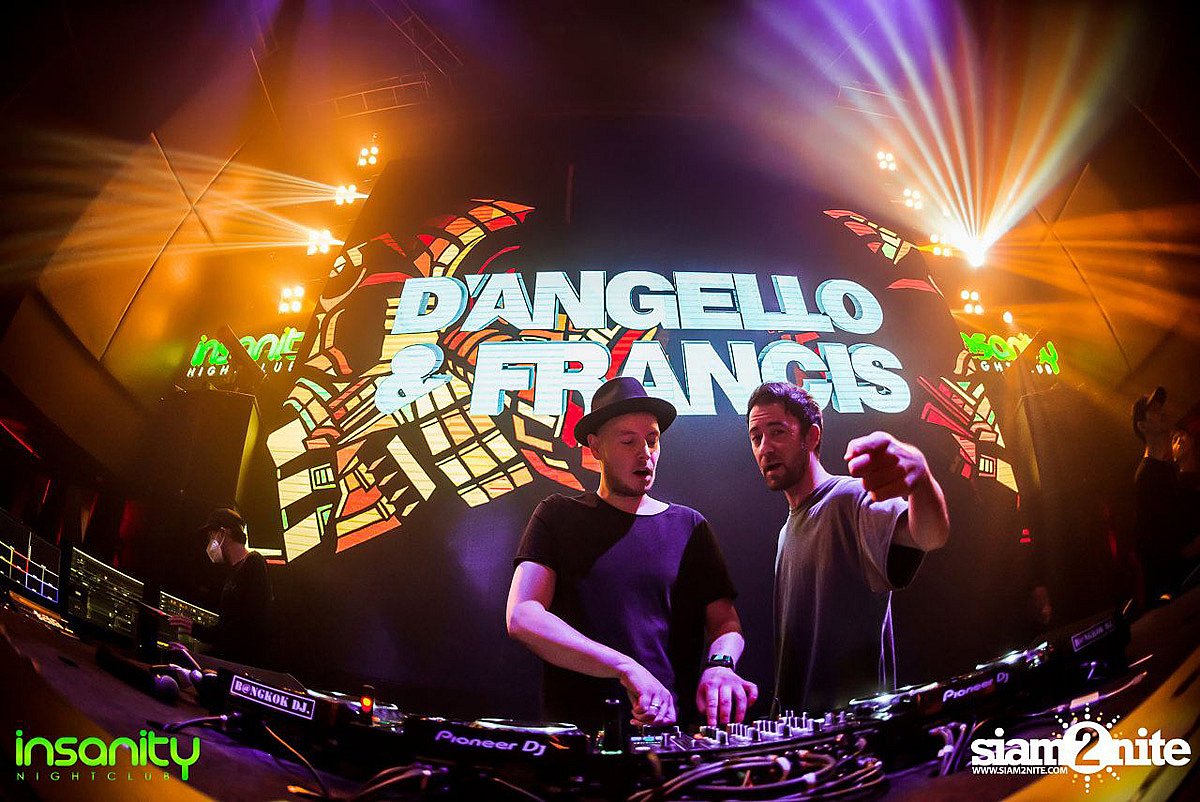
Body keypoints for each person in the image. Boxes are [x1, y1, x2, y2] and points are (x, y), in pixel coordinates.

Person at [507, 377, 757, 731]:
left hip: (669, 734)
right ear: (596, 446)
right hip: (579, 738)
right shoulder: (557, 515)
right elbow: (523, 615)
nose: (645, 453)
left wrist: (721, 664)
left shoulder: (689, 526)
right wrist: (625, 667)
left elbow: (726, 624)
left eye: (652, 440)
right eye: (628, 441)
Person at [745, 382, 949, 713]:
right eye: (757, 438)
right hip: (805, 732)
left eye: (777, 432)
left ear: (811, 437)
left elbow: (928, 536)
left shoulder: (849, 498)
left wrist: (922, 480)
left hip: (855, 730)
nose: (765, 448)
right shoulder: (786, 531)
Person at [169, 508, 273, 665]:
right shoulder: (235, 571)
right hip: (233, 661)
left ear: (223, 533)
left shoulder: (254, 563)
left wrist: (197, 630)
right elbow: (228, 630)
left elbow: (243, 627)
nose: (210, 542)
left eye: (211, 535)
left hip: (243, 664)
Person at [1131, 387, 1188, 602]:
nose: (1161, 411)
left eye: (1159, 407)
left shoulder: (1167, 468)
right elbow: (1153, 542)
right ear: (1142, 426)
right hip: (1177, 588)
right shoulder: (1147, 475)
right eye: (1153, 410)